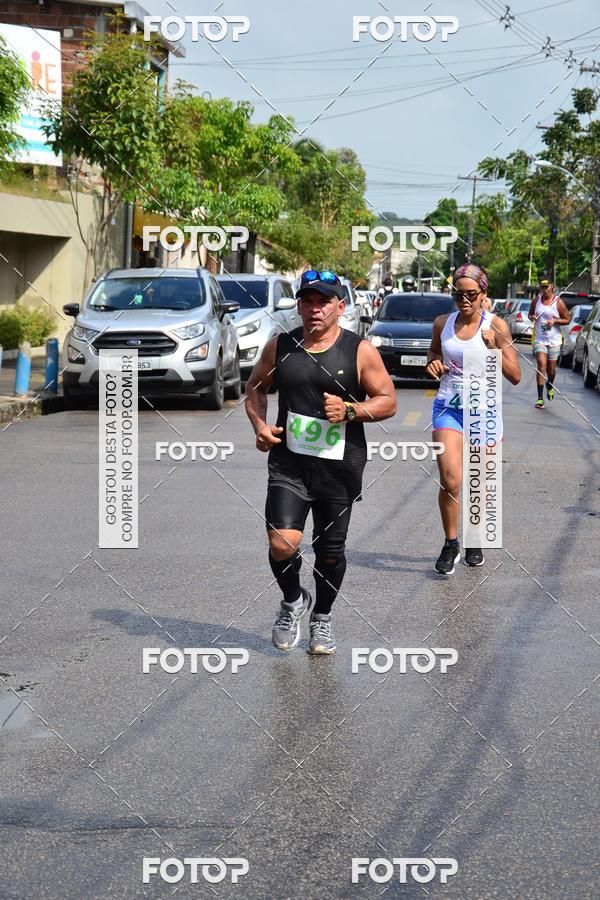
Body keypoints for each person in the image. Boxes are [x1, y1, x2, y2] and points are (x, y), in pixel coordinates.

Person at [245, 269, 397, 654]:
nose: (314, 309)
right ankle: (294, 600)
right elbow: (255, 387)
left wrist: (350, 410)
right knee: (282, 542)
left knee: (329, 552)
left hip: (339, 468)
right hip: (289, 465)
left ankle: (323, 617)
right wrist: (260, 425)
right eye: (307, 301)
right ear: (298, 306)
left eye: (323, 302)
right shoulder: (280, 346)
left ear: (339, 307)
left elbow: (388, 401)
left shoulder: (359, 350)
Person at [426, 264, 521, 575]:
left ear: (484, 295)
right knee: (451, 479)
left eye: (471, 294)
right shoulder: (442, 323)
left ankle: (475, 538)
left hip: (485, 412)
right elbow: (433, 355)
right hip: (448, 408)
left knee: (479, 485)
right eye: (458, 294)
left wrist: (493, 346)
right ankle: (451, 542)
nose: (464, 300)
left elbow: (516, 376)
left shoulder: (497, 327)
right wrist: (434, 365)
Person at [528, 276, 570, 408]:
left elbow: (567, 319)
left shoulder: (558, 302)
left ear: (551, 286)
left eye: (547, 287)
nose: (544, 290)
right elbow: (530, 314)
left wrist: (555, 321)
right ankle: (540, 398)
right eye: (542, 287)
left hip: (554, 340)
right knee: (541, 365)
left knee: (551, 370)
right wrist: (532, 317)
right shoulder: (536, 301)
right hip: (539, 339)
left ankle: (549, 385)